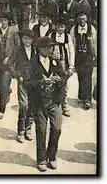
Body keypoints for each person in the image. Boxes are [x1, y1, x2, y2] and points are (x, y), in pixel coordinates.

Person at [27, 36, 67, 172]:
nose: (50, 49)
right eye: (47, 47)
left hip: (54, 101)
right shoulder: (32, 63)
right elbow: (26, 83)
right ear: (39, 49)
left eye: (51, 47)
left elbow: (64, 77)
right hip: (39, 102)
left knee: (57, 128)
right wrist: (41, 82)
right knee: (41, 130)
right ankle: (42, 159)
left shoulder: (55, 62)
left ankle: (52, 156)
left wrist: (59, 80)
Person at [0, 12, 20, 120]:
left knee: (3, 84)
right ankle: (7, 92)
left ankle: (1, 109)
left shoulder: (13, 31)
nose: (2, 22)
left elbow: (18, 46)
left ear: (8, 21)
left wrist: (10, 57)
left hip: (9, 63)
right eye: (0, 20)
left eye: (4, 20)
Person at [8, 28, 35, 143]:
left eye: (29, 39)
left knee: (32, 106)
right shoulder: (17, 50)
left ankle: (28, 129)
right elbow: (10, 64)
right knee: (24, 106)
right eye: (25, 38)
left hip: (34, 82)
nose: (27, 41)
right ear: (21, 39)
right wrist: (17, 75)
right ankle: (20, 131)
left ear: (32, 40)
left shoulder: (36, 50)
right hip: (23, 81)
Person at [70, 13, 97, 110]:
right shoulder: (74, 29)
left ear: (86, 19)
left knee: (87, 76)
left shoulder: (91, 29)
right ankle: (81, 96)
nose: (82, 21)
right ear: (77, 19)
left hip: (88, 56)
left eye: (84, 19)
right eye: (80, 19)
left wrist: (95, 55)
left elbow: (95, 43)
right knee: (81, 75)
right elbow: (72, 43)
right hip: (78, 56)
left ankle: (87, 99)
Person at [49, 15, 75, 117]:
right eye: (58, 26)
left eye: (62, 27)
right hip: (53, 63)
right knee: (52, 82)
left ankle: (64, 104)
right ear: (55, 26)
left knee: (63, 84)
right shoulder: (51, 35)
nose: (60, 29)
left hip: (64, 63)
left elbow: (71, 51)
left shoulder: (67, 37)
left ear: (65, 27)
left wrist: (71, 66)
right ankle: (53, 105)